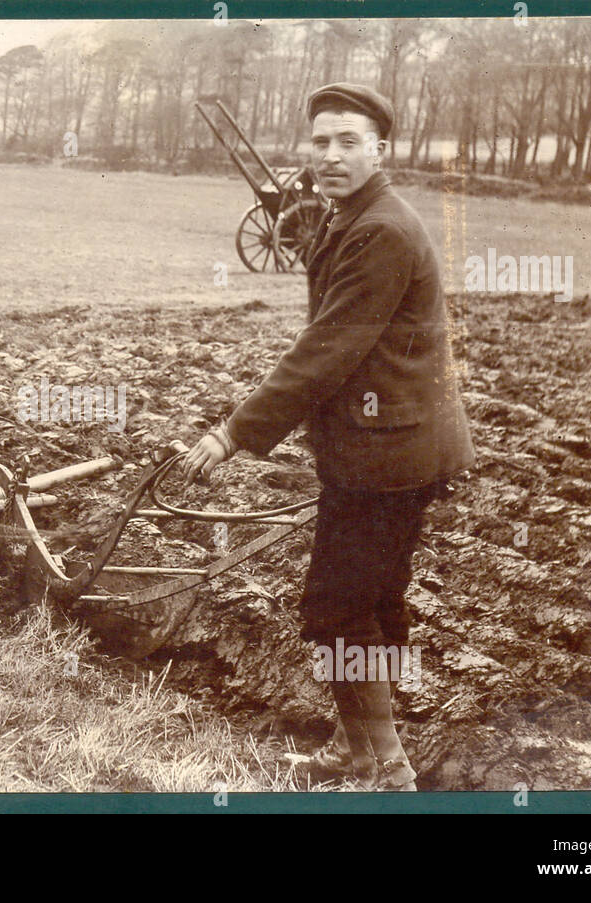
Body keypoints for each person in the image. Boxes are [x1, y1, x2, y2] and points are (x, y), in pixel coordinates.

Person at [178, 83, 475, 791]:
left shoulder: (380, 230)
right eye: (321, 141)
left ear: (382, 148)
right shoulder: (355, 216)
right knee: (374, 601)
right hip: (396, 443)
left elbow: (327, 349)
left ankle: (385, 767)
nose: (332, 155)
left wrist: (232, 433)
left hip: (386, 455)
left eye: (349, 141)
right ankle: (355, 747)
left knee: (337, 608)